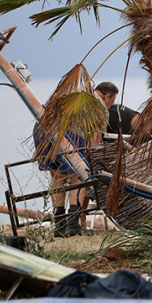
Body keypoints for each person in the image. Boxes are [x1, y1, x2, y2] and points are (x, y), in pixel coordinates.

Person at [33, 82, 112, 237]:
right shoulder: (99, 105)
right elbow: (95, 141)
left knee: (57, 177)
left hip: (41, 127)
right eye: (112, 102)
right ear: (107, 96)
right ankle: (73, 224)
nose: (110, 106)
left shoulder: (72, 94)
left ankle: (59, 226)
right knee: (78, 177)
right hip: (69, 131)